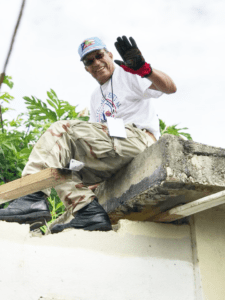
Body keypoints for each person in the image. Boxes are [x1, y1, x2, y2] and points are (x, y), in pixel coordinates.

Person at [0, 36, 176, 233]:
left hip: (137, 139)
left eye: (99, 56)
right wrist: (83, 181)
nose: (96, 63)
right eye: (89, 61)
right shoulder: (95, 97)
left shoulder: (127, 73)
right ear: (86, 68)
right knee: (61, 168)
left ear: (109, 55)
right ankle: (88, 212)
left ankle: (32, 196)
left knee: (61, 129)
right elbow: (95, 141)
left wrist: (145, 69)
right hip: (115, 147)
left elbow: (170, 87)